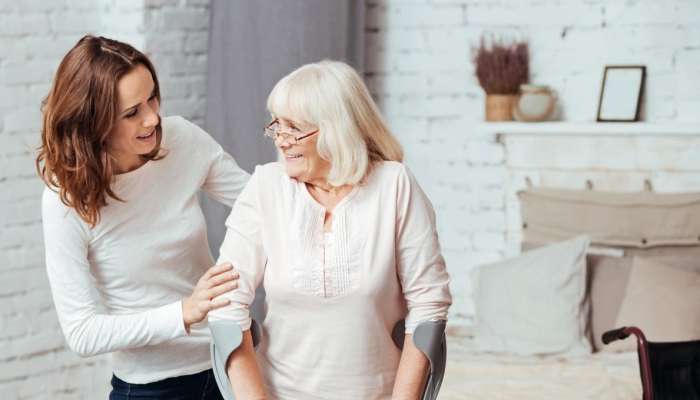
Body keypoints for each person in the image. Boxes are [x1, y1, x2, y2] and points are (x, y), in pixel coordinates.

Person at [208, 60, 452, 400]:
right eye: (277, 126)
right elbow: (225, 307)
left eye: (295, 128)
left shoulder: (394, 185)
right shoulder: (266, 186)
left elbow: (428, 305)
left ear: (338, 129)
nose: (281, 140)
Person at [37, 35, 249, 400]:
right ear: (94, 123)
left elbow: (259, 203)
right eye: (132, 112)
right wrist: (184, 312)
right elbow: (82, 333)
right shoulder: (65, 200)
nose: (153, 118)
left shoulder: (182, 140)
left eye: (152, 97)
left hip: (226, 363)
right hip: (150, 387)